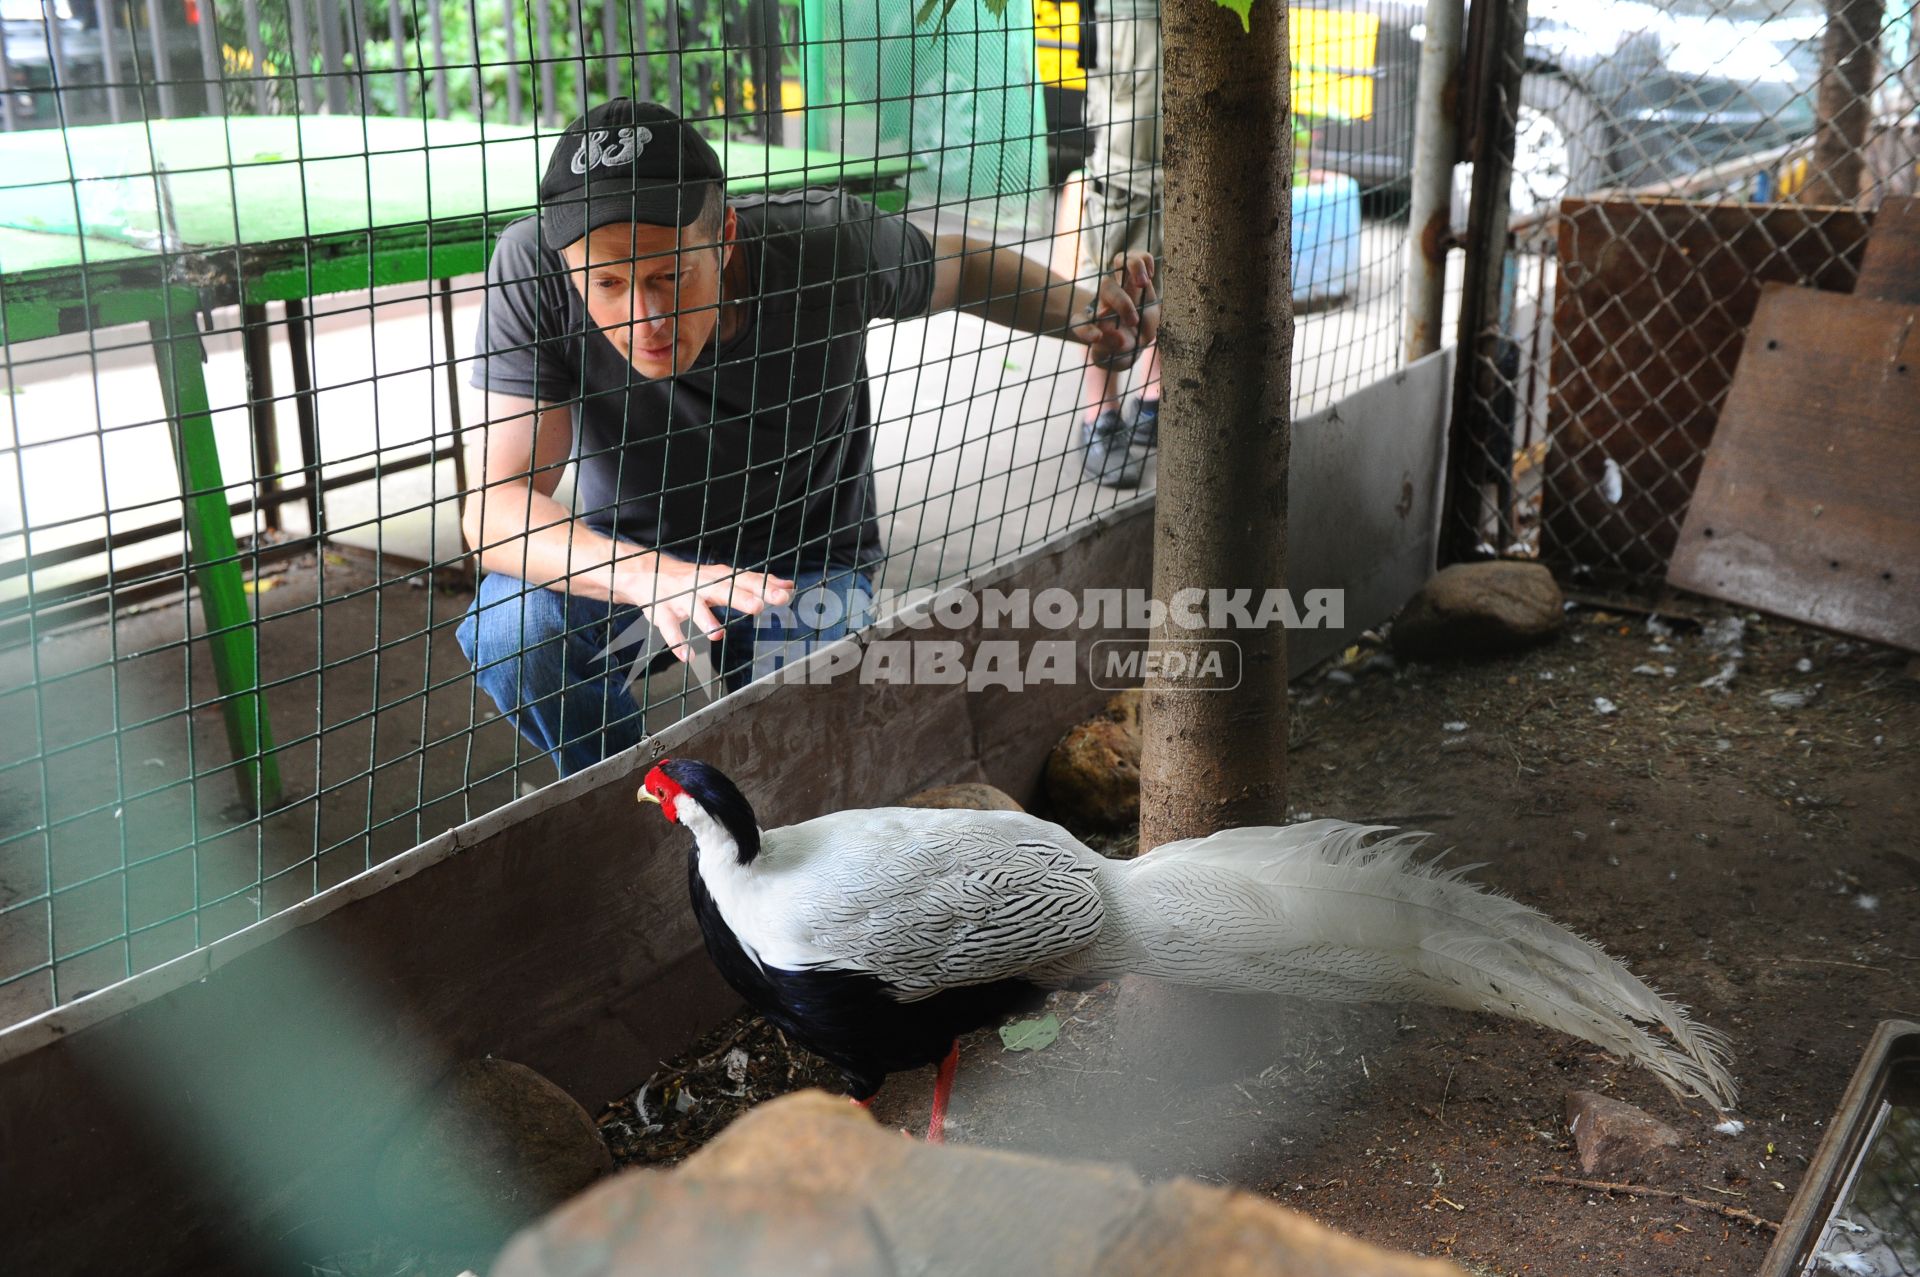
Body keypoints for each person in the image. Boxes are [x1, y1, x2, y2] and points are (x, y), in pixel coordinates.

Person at [457, 99, 1157, 776]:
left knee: (796, 766)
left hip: (806, 557)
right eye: (605, 282)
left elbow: (962, 268)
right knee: (513, 629)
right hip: (636, 552)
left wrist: (1081, 310)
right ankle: (641, 803)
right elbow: (493, 508)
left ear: (724, 237)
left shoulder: (828, 244)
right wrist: (645, 574)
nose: (645, 316)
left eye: (670, 275)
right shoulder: (534, 268)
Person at [1075, 0, 1164, 488]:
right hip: (1135, 17)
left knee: (1187, 194)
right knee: (1125, 190)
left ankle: (1153, 398)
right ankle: (1100, 415)